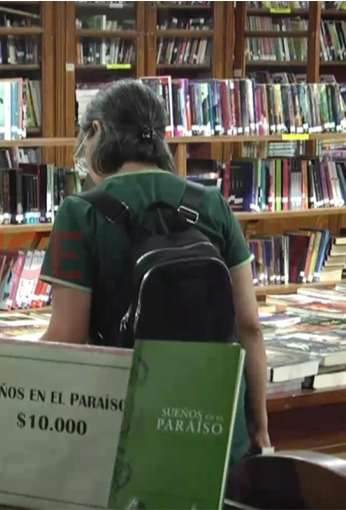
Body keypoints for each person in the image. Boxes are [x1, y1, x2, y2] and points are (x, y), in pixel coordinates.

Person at [38, 79, 270, 464]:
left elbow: (68, 336)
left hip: (131, 427)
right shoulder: (213, 204)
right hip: (218, 428)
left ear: (96, 131)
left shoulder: (81, 212)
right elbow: (250, 328)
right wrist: (259, 427)